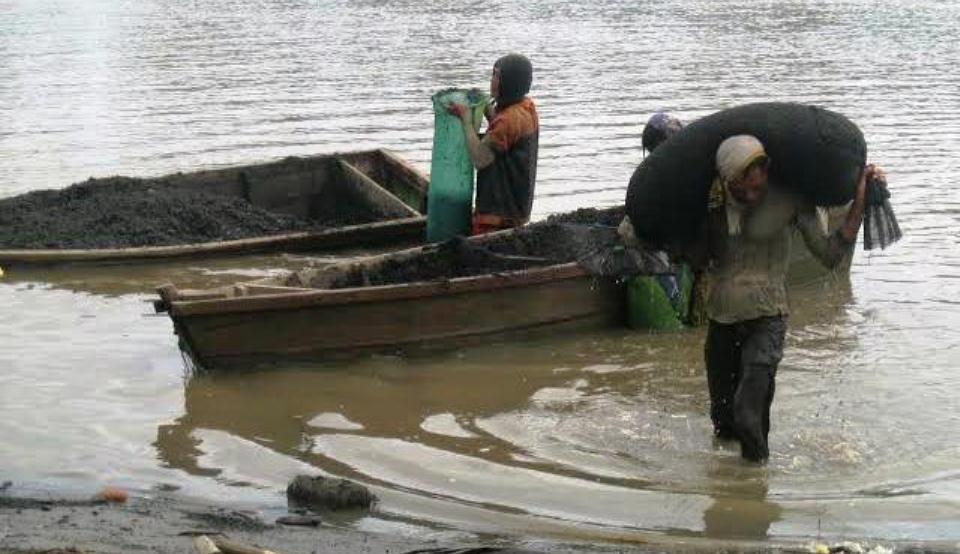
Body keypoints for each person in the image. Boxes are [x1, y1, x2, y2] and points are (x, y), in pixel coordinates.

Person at [702, 134, 883, 462]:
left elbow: (830, 255)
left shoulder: (789, 202)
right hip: (720, 322)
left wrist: (859, 200)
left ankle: (753, 494)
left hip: (767, 321)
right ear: (728, 181)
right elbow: (684, 250)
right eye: (746, 189)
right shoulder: (709, 204)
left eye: (760, 186)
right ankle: (735, 487)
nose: (754, 195)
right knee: (724, 423)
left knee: (748, 415)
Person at [445, 54, 539, 235]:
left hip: (498, 216)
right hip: (517, 210)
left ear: (508, 82)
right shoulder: (526, 108)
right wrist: (487, 109)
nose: (492, 81)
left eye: (496, 76)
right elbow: (505, 135)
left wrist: (465, 120)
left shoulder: (508, 120)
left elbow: (480, 159)